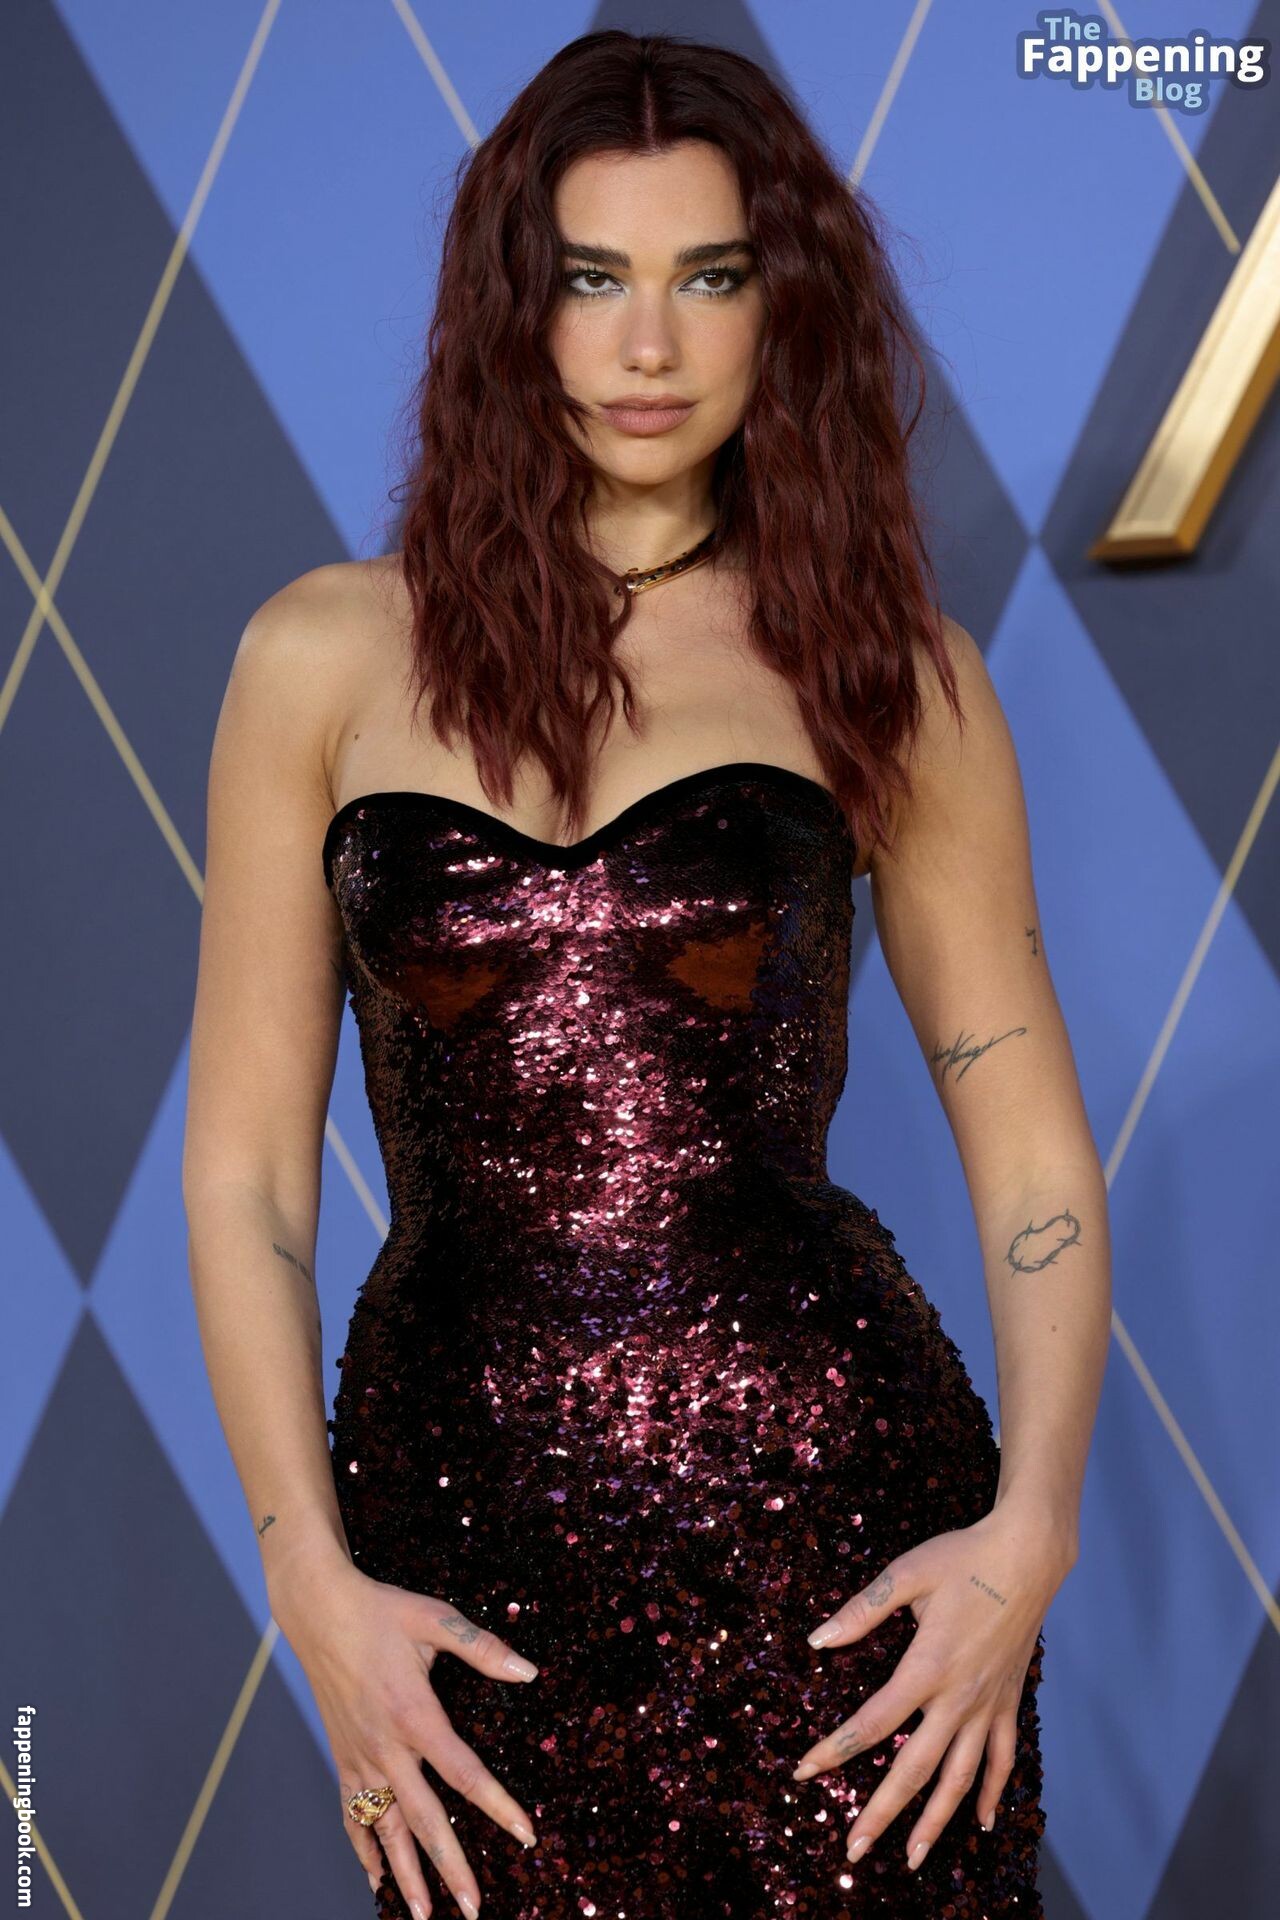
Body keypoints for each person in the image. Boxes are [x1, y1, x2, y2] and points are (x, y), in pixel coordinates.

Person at [183, 28, 1110, 1920]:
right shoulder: (320, 658)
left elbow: (1029, 1152)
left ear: (787, 311)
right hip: (455, 1547)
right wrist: (308, 1581)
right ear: (514, 309)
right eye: (595, 280)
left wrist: (1031, 1534)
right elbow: (250, 1180)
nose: (650, 347)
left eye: (712, 278)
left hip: (835, 1531)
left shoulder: (890, 671)